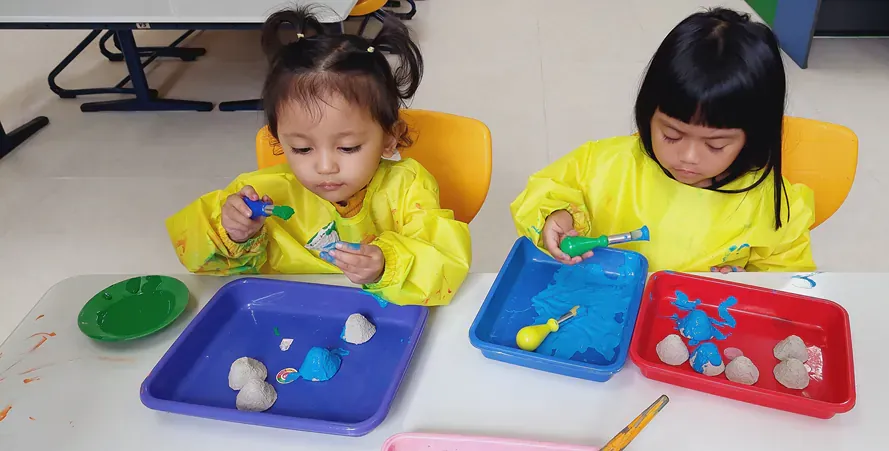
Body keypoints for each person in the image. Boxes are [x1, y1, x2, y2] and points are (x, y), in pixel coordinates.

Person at [166, 7, 471, 306]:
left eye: (348, 147)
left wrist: (387, 265)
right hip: (291, 316)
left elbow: (447, 265)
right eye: (302, 149)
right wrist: (233, 234)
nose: (325, 167)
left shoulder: (407, 188)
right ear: (278, 141)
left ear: (389, 138)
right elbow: (200, 263)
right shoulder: (265, 193)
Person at [510, 8, 815, 273]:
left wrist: (748, 282)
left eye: (716, 145)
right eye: (671, 134)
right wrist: (558, 216)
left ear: (754, 135)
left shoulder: (770, 204)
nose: (689, 156)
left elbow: (786, 273)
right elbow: (544, 191)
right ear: (648, 113)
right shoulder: (606, 164)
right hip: (606, 308)